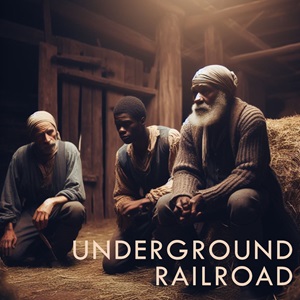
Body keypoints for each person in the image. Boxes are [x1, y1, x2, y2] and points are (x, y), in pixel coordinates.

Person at [154, 65, 299, 299]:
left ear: (225, 93)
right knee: (165, 206)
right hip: (205, 198)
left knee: (241, 201)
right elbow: (185, 168)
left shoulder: (249, 117)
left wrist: (204, 198)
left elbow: (248, 172)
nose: (198, 98)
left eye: (206, 91)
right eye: (195, 92)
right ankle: (202, 272)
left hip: (248, 194)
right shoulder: (191, 124)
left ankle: (251, 279)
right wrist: (183, 197)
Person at [102, 96, 180, 274]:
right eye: (117, 125)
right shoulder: (123, 155)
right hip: (144, 215)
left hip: (171, 211)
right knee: (112, 264)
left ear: (142, 120)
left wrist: (144, 200)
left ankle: (170, 253)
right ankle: (150, 248)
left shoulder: (169, 139)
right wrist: (125, 206)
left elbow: (181, 179)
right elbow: (122, 193)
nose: (121, 130)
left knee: (163, 205)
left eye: (127, 124)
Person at [0, 111, 86, 267]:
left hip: (60, 207)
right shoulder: (21, 156)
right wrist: (8, 229)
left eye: (50, 132)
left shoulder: (69, 151)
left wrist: (50, 202)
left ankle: (54, 253)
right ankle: (38, 247)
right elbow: (10, 194)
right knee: (11, 256)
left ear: (56, 130)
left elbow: (76, 189)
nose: (47, 139)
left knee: (76, 209)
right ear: (33, 138)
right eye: (40, 135)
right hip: (32, 212)